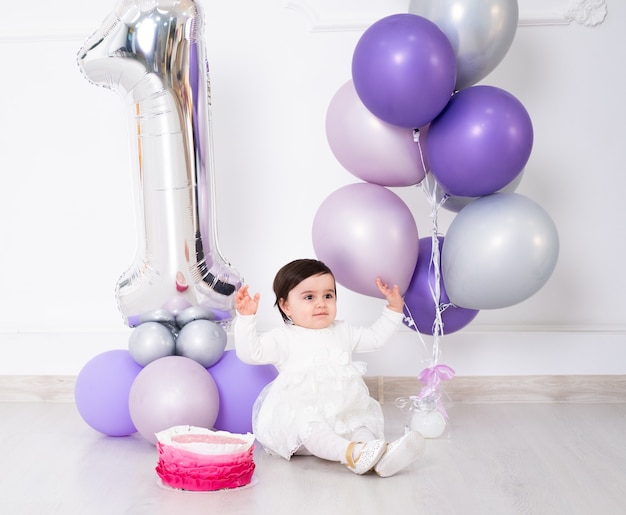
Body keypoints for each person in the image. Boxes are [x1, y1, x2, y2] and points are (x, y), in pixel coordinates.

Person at [233, 258, 424, 477]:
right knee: (312, 427)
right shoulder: (283, 338)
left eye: (328, 295)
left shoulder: (343, 331)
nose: (321, 303)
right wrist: (246, 319)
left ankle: (377, 455)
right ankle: (352, 453)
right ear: (286, 306)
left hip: (341, 416)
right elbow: (250, 353)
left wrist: (393, 309)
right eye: (309, 297)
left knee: (359, 424)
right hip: (300, 428)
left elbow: (376, 338)